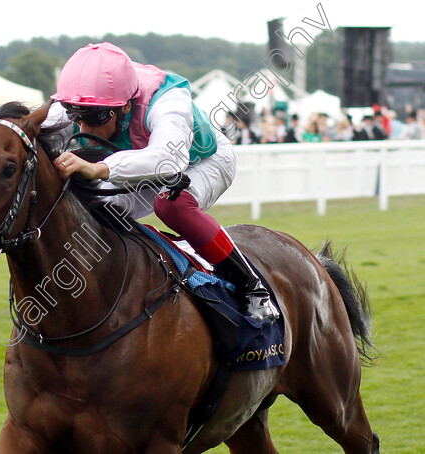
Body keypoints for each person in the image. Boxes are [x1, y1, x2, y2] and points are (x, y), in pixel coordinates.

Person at [50, 42, 278, 321]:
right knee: (97, 209)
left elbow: (168, 159)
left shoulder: (167, 99)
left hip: (200, 161)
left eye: (95, 117)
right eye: (75, 115)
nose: (83, 128)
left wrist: (98, 168)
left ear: (125, 107)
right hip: (136, 163)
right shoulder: (87, 98)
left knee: (172, 206)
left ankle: (251, 286)